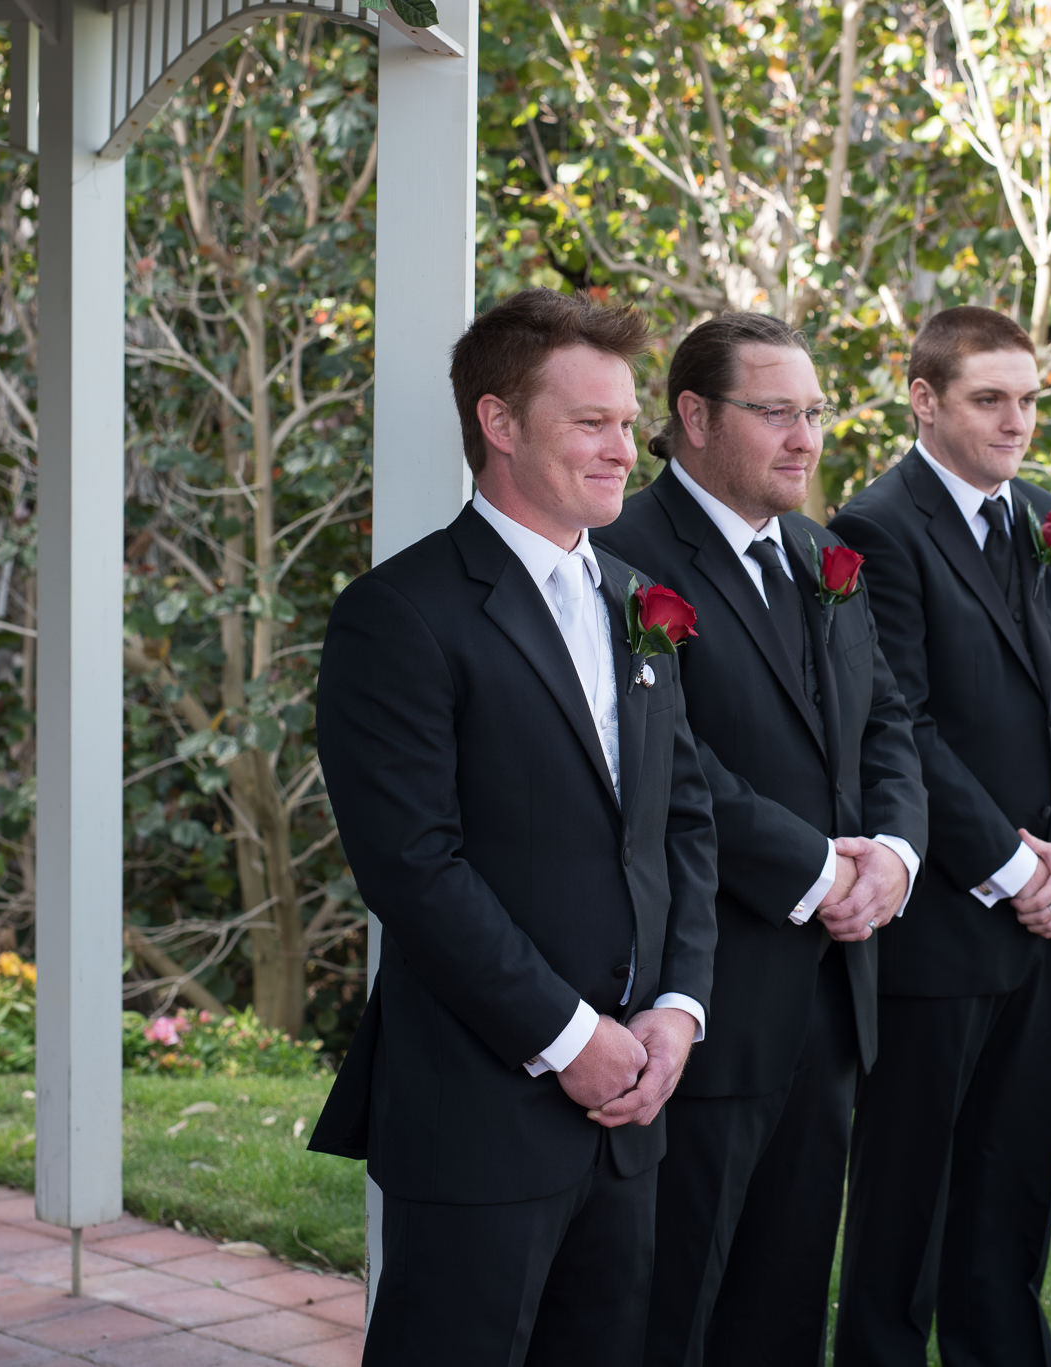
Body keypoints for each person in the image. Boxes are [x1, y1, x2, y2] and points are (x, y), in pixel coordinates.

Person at [307, 288, 718, 1366]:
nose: (625, 449)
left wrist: (675, 1008)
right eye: (591, 422)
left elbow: (680, 820)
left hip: (633, 1108)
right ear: (497, 423)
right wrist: (572, 1039)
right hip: (480, 1108)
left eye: (629, 423)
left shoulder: (641, 598)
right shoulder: (398, 615)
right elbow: (413, 867)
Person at [596, 312, 927, 1367]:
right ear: (692, 416)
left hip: (832, 992)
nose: (805, 437)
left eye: (815, 412)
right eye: (775, 411)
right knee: (672, 1302)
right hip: (707, 995)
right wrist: (811, 867)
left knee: (784, 1305)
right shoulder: (621, 552)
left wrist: (894, 853)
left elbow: (885, 721)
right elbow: (667, 759)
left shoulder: (822, 553)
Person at [828, 306, 1051, 1366]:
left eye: (1029, 399)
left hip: (1048, 918)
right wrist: (1010, 866)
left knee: (1011, 1190)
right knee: (905, 1198)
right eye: (988, 399)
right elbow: (897, 717)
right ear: (923, 399)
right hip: (943, 920)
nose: (1017, 421)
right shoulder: (874, 527)